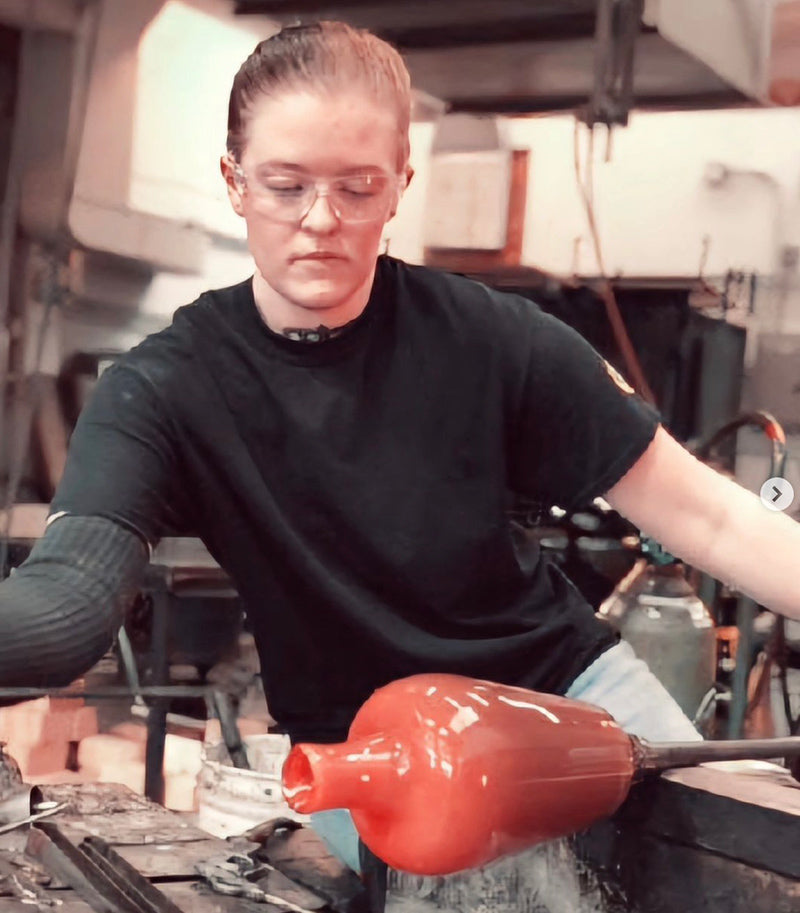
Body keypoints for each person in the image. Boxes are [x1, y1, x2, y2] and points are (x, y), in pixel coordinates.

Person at [1, 21, 800, 875]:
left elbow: (709, 517)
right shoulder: (163, 388)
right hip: (370, 751)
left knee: (740, 867)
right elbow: (70, 602)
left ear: (399, 187)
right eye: (285, 185)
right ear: (234, 183)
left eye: (356, 188)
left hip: (569, 696)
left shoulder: (494, 342)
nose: (320, 220)